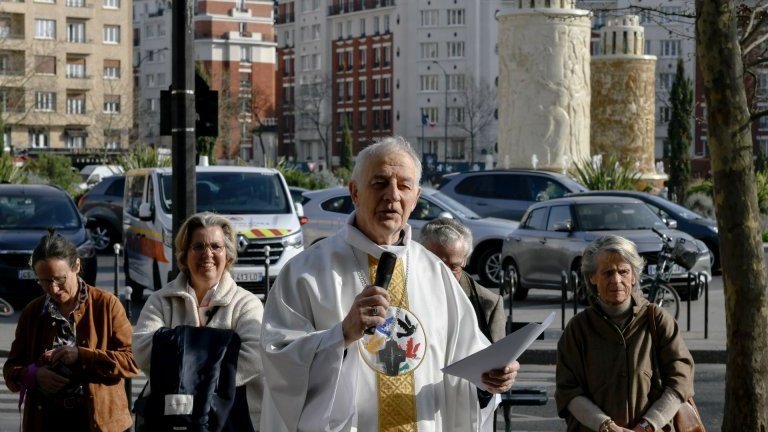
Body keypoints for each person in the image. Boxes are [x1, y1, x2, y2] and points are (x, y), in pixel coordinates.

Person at [260, 136, 519, 431]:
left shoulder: (436, 274)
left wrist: (490, 380)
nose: (392, 195)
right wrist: (341, 335)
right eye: (380, 183)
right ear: (355, 192)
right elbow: (279, 362)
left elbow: (468, 365)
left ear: (416, 198)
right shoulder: (305, 273)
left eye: (404, 186)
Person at [132, 212, 265, 429]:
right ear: (184, 255)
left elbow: (255, 356)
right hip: (170, 418)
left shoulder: (246, 304)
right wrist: (222, 348)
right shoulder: (160, 301)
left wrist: (178, 349)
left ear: (228, 255)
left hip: (232, 419)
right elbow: (143, 348)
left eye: (216, 247)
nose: (208, 254)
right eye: (199, 247)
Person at [3, 228, 139, 431]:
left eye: (60, 279)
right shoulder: (33, 312)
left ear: (76, 266)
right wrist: (35, 375)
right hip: (46, 419)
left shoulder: (106, 304)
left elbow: (132, 361)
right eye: (44, 281)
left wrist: (82, 356)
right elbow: (11, 371)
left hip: (99, 421)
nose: (53, 289)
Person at [555, 235, 695, 432]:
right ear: (592, 277)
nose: (617, 280)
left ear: (634, 276)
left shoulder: (658, 320)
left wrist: (648, 425)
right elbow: (567, 390)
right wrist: (605, 425)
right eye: (607, 273)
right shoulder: (578, 329)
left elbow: (681, 382)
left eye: (623, 271)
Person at [420, 217, 507, 342]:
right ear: (421, 257)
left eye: (454, 267)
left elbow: (498, 357)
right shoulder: (404, 289)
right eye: (438, 265)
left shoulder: (488, 304)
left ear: (465, 260)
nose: (446, 274)